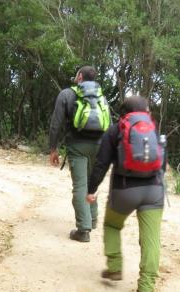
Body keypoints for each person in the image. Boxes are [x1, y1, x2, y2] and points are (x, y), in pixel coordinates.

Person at [86, 96, 165, 292]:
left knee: (112, 225)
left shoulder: (115, 130)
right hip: (154, 190)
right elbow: (162, 162)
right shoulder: (152, 128)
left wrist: (91, 189)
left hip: (124, 190)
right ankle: (146, 287)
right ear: (145, 111)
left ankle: (114, 267)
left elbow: (101, 164)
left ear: (122, 113)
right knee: (151, 239)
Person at [49, 65, 111, 242]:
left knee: (80, 185)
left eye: (77, 76)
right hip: (100, 146)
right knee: (92, 183)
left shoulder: (67, 94)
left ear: (80, 77)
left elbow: (56, 123)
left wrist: (53, 149)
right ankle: (92, 219)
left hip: (77, 146)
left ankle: (83, 230)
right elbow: (110, 124)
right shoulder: (102, 98)